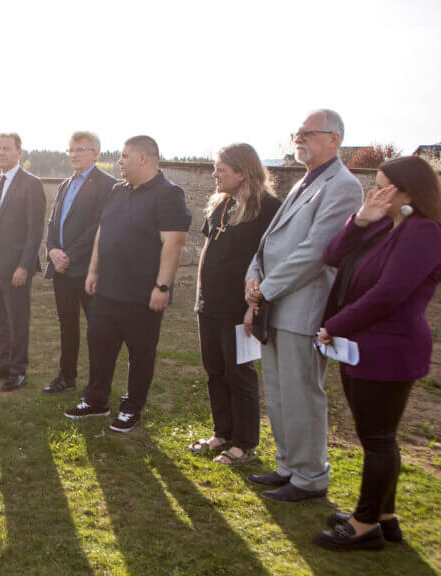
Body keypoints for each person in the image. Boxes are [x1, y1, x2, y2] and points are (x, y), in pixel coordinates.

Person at [313, 156, 441, 550]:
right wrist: (362, 219)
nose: (375, 191)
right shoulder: (385, 225)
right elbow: (332, 256)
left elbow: (389, 293)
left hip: (390, 346)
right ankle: (384, 516)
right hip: (361, 346)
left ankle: (365, 523)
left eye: (383, 185)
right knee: (377, 436)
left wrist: (336, 325)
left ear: (407, 192)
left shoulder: (423, 232)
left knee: (378, 437)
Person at [244, 109, 363, 503]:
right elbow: (270, 240)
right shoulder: (304, 182)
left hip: (302, 307)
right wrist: (253, 273)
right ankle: (287, 465)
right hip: (276, 303)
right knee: (278, 392)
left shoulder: (343, 185)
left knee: (301, 394)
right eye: (297, 133)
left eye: (308, 133)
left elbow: (316, 251)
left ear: (334, 139)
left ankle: (310, 478)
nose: (299, 138)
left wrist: (267, 289)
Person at [64, 136, 191, 432]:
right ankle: (96, 400)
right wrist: (93, 271)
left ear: (143, 158)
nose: (119, 161)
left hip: (143, 294)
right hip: (108, 290)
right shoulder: (116, 191)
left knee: (140, 352)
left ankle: (132, 407)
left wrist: (162, 287)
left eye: (124, 156)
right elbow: (101, 233)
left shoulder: (168, 194)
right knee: (100, 345)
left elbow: (173, 243)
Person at [190, 144, 281, 465]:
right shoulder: (221, 204)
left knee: (239, 374)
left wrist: (254, 306)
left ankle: (244, 443)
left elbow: (272, 261)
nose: (214, 174)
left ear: (243, 172)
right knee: (215, 371)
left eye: (221, 169)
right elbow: (207, 251)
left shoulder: (268, 208)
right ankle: (222, 432)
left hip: (239, 308)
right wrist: (200, 294)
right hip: (209, 305)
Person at [42, 131, 115, 394]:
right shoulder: (65, 185)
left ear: (95, 153)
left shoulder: (108, 185)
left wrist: (69, 254)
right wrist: (51, 250)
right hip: (61, 270)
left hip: (87, 270)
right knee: (67, 325)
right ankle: (66, 376)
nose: (73, 154)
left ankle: (96, 384)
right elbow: (52, 223)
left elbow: (99, 226)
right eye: (70, 150)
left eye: (79, 149)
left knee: (97, 330)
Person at [0, 133, 46, 391]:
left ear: (19, 152)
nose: (1, 153)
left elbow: (34, 230)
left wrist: (24, 265)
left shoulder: (31, 184)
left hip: (15, 266)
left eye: (6, 148)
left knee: (16, 318)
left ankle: (18, 370)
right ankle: (1, 363)